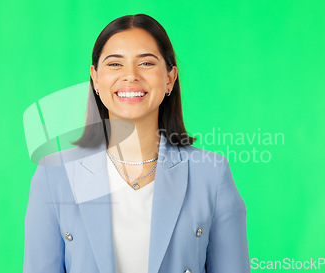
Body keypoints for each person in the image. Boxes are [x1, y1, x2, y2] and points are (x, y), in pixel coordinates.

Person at [24, 14, 250, 273]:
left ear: (169, 78)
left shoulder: (211, 173)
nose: (130, 76)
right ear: (95, 78)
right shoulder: (54, 174)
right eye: (114, 64)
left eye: (145, 63)